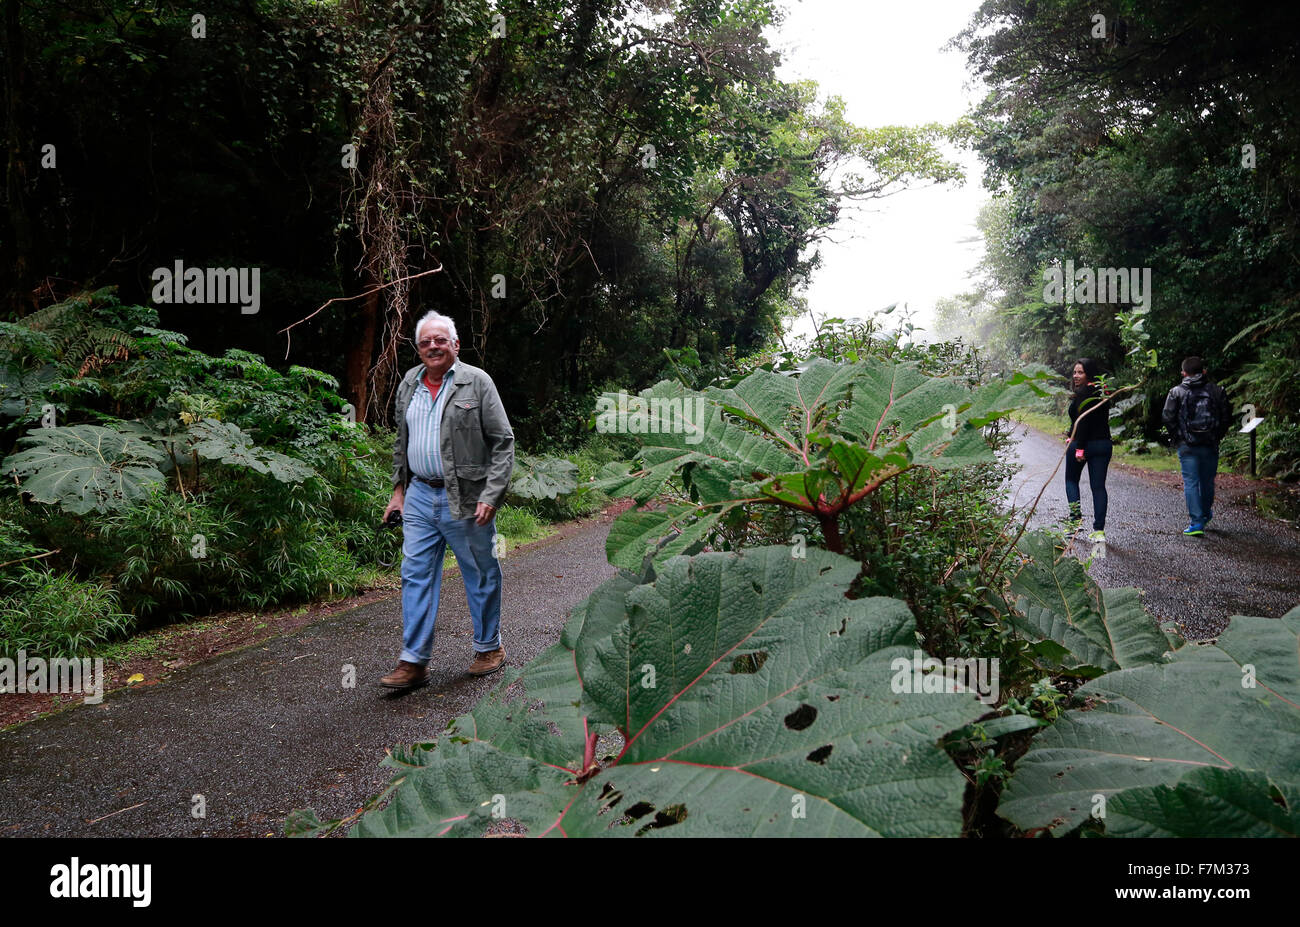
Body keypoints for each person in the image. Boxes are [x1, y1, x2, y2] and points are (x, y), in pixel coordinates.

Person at [378, 310, 515, 689]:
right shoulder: (409, 383)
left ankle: (489, 648)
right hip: (420, 495)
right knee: (415, 576)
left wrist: (492, 494)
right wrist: (398, 491)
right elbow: (401, 443)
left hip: (467, 499)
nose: (433, 346)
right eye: (426, 342)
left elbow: (503, 443)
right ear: (419, 349)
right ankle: (414, 661)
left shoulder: (477, 383)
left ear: (456, 345)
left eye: (441, 340)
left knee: (481, 572)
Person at [1162, 356, 1231, 536]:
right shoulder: (1217, 391)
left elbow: (1168, 416)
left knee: (1191, 482)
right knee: (1207, 481)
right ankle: (1206, 513)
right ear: (1204, 371)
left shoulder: (1176, 392)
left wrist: (1179, 436)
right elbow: (1226, 418)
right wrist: (1216, 436)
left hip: (1187, 445)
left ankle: (1196, 522)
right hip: (1210, 443)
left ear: (1183, 373)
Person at [1063, 358, 1112, 542]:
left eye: (1080, 372)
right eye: (1075, 372)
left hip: (1083, 443)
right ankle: (1099, 531)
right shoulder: (1103, 391)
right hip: (1103, 444)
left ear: (1089, 373)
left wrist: (1079, 447)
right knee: (1098, 487)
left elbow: (1084, 421)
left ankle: (1075, 523)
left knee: (1071, 480)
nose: (1076, 376)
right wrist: (1071, 434)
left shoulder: (1084, 393)